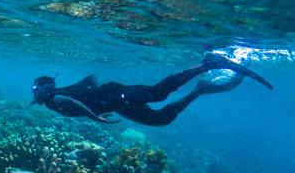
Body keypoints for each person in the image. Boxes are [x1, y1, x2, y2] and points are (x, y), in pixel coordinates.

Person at [31, 53, 273, 126]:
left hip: (114, 96)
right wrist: (94, 102)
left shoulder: (54, 97)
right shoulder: (55, 94)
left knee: (157, 94)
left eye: (36, 89)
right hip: (115, 102)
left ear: (43, 88)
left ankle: (208, 64)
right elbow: (90, 80)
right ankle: (200, 89)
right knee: (160, 119)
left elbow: (72, 102)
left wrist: (94, 115)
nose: (36, 94)